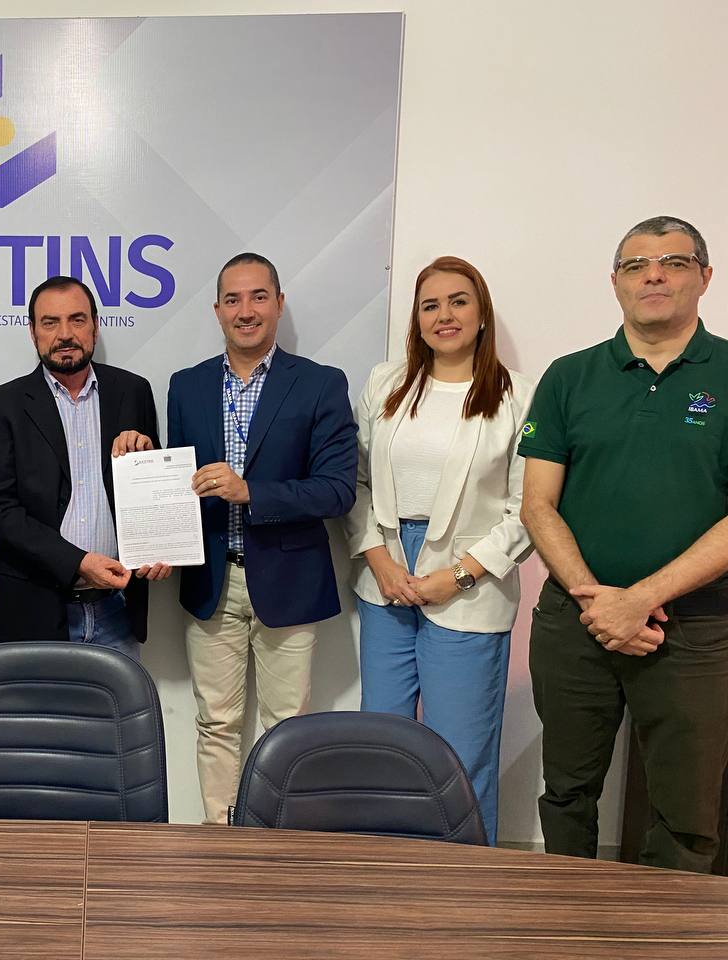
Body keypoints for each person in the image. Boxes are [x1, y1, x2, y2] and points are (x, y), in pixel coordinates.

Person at [520, 215, 728, 873]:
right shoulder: (569, 376)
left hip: (697, 629)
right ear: (615, 282)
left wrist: (638, 600)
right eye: (636, 265)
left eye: (673, 262)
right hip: (575, 623)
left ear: (705, 276)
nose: (653, 276)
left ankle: (664, 927)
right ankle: (566, 920)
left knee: (687, 814)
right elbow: (537, 505)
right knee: (567, 794)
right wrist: (598, 602)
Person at [345, 256, 534, 845]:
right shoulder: (385, 383)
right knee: (383, 742)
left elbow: (527, 507)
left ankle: (465, 878)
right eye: (430, 305)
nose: (444, 315)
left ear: (482, 314)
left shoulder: (518, 396)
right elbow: (356, 482)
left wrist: (459, 576)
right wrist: (379, 560)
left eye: (458, 301)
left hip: (470, 585)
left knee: (460, 752)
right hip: (386, 579)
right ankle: (387, 868)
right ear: (417, 318)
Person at [167, 252, 357, 824]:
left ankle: (277, 840)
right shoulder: (186, 385)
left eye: (257, 297)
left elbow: (337, 490)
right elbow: (177, 484)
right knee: (215, 722)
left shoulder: (320, 384)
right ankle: (219, 835)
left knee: (287, 727)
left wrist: (252, 492)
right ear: (217, 310)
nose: (245, 311)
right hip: (211, 581)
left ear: (279, 303)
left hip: (289, 580)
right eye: (232, 299)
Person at [0, 275, 166, 660]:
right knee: (36, 704)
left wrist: (157, 545)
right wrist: (78, 562)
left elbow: (153, 488)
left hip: (117, 610)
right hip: (35, 611)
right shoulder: (0, 407)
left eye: (77, 320)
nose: (65, 334)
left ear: (95, 325)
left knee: (121, 704)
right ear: (33, 332)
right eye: (50, 322)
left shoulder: (133, 391)